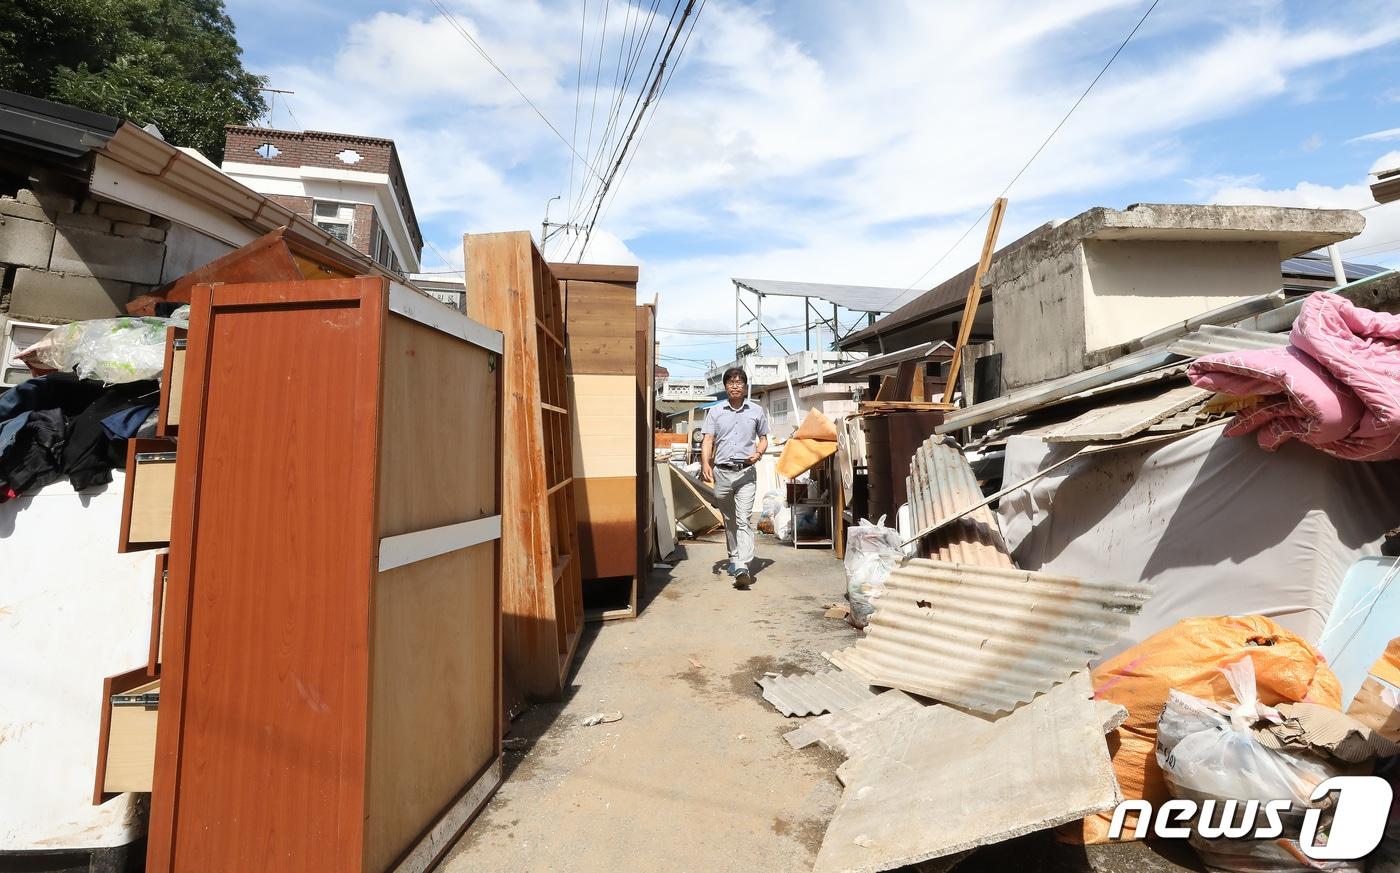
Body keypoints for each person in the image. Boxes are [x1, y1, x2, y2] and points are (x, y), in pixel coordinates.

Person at [700, 367, 769, 588]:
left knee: (743, 519)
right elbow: (708, 439)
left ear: (745, 386)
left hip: (746, 472)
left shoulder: (756, 411)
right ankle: (734, 556)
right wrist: (705, 463)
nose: (735, 385)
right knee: (729, 520)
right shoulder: (716, 411)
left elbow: (764, 438)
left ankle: (742, 565)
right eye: (731, 382)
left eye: (739, 382)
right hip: (722, 472)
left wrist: (758, 453)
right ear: (725, 387)